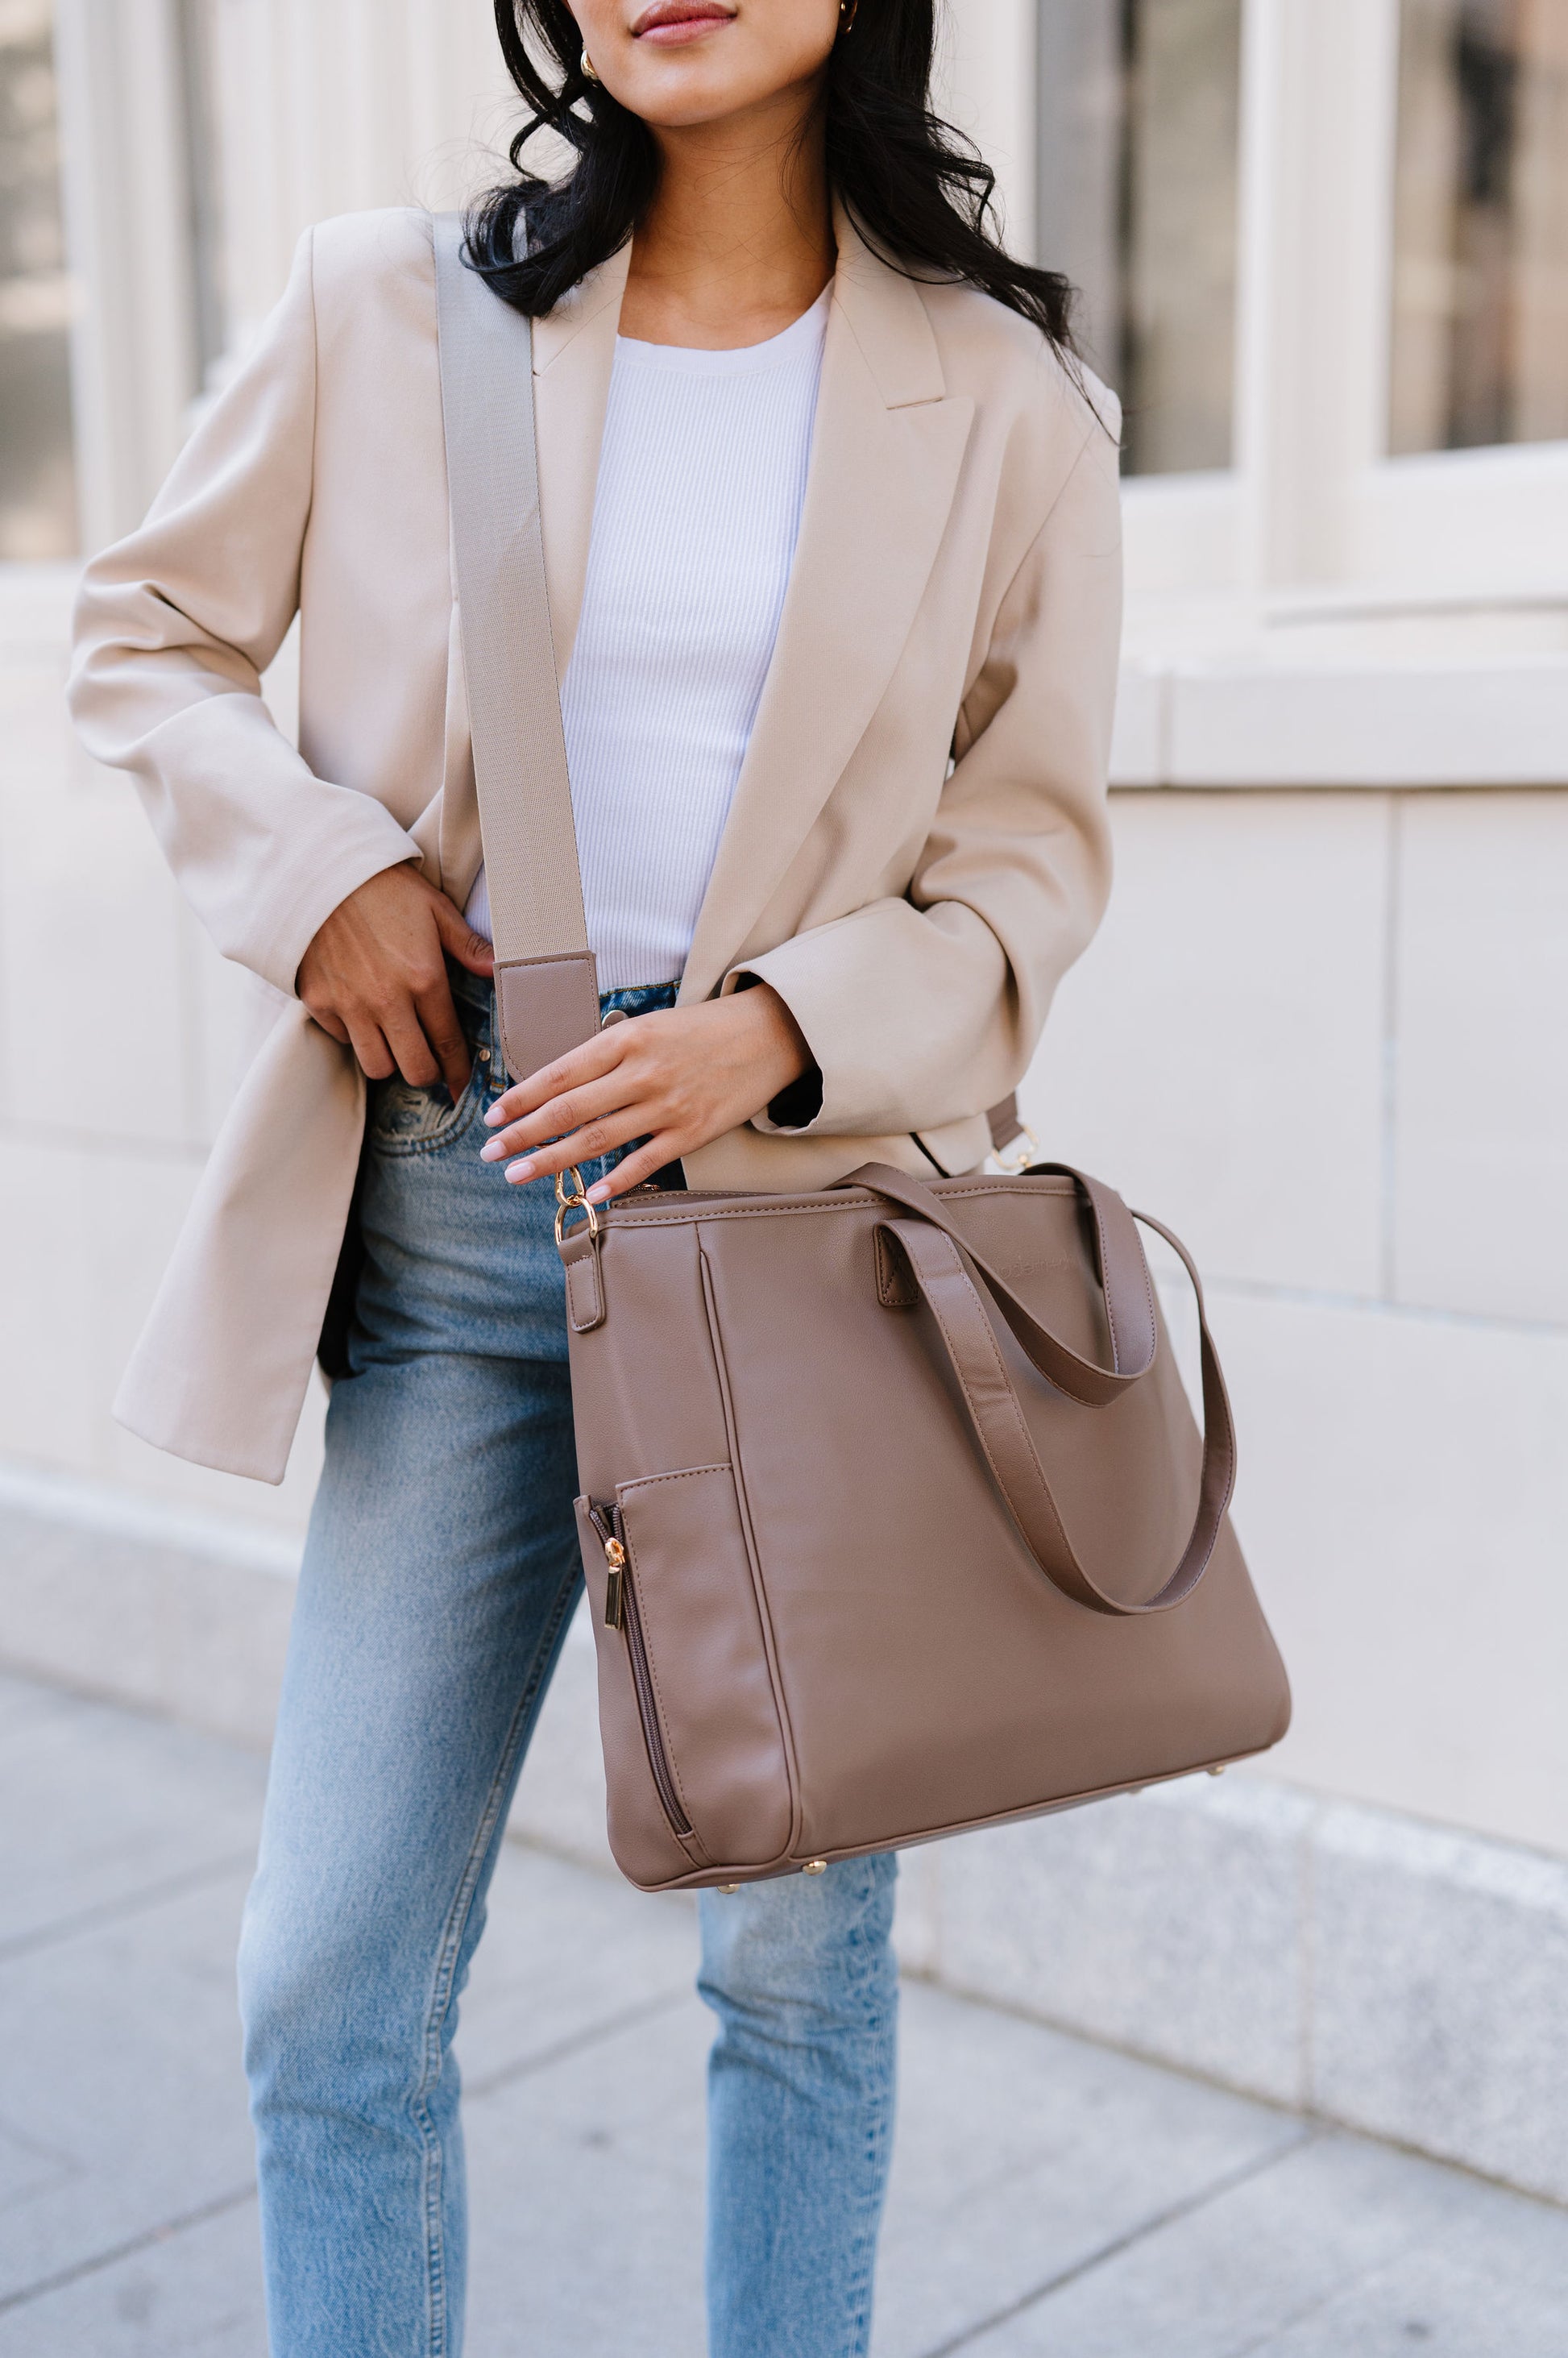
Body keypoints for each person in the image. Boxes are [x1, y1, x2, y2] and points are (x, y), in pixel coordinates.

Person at [68, 2, 1122, 2350]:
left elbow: (1030, 873)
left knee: (791, 1960)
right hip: (454, 1219)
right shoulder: (388, 304)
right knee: (326, 1977)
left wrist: (782, 1028)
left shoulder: (1006, 404)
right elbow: (144, 638)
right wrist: (321, 866)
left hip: (796, 1241)